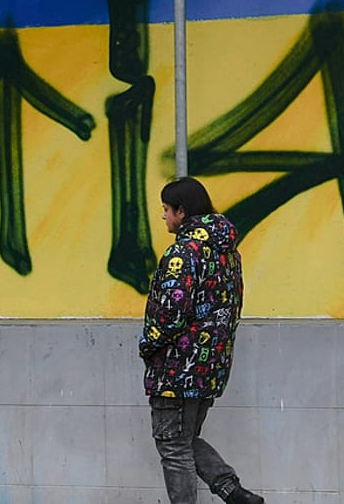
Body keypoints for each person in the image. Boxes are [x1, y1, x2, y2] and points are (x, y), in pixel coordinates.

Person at [139, 177, 265, 504]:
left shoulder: (183, 253)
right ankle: (232, 491)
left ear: (182, 211)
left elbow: (170, 312)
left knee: (173, 445)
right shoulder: (228, 252)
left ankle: (230, 492)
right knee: (183, 438)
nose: (164, 216)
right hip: (211, 364)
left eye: (167, 209)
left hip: (177, 367)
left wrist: (148, 344)